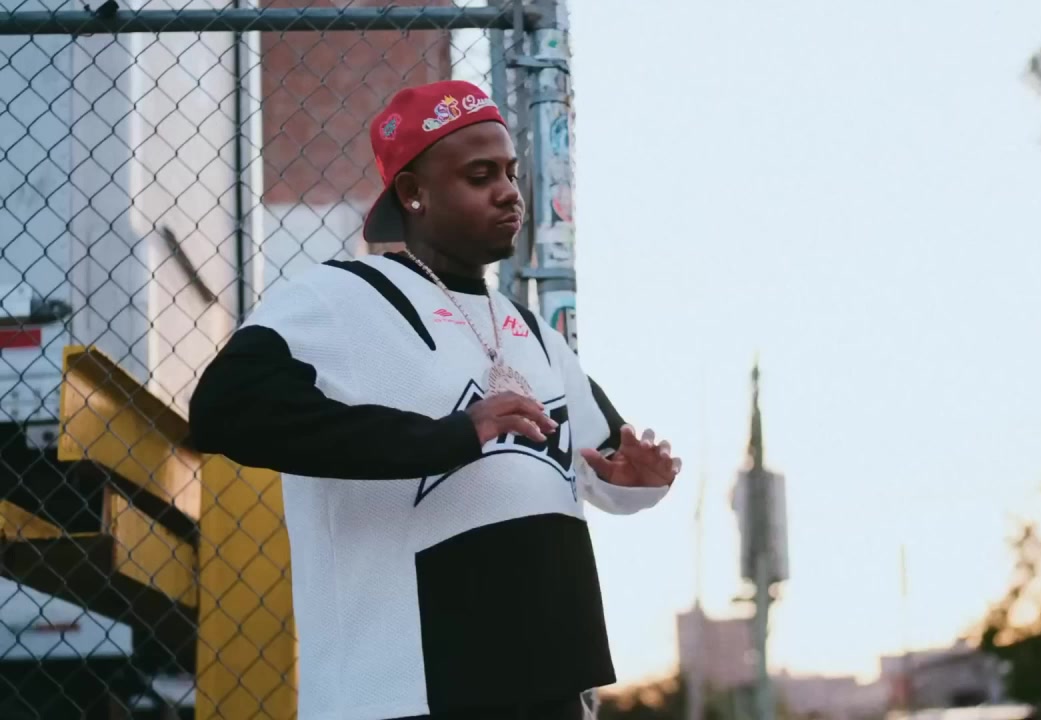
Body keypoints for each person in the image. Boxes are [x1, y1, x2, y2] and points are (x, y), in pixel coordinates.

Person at [187, 80, 680, 720]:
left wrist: (637, 481)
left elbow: (602, 462)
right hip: (404, 690)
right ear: (413, 193)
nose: (508, 191)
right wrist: (445, 437)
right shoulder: (341, 297)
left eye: (510, 172)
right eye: (480, 176)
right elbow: (222, 411)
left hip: (551, 683)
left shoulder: (532, 331)